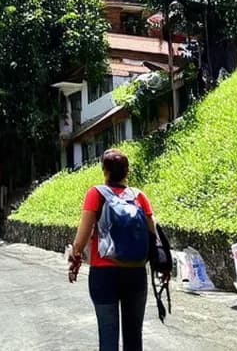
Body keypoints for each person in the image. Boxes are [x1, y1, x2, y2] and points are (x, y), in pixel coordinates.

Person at [68, 149, 160, 351]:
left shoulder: (96, 193)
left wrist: (74, 258)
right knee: (134, 337)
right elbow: (153, 234)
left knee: (108, 337)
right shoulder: (139, 197)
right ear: (127, 171)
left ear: (104, 171)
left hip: (104, 274)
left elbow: (82, 236)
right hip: (135, 272)